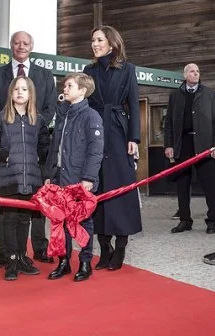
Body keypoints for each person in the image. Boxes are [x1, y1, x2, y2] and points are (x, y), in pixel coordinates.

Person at [0, 31, 57, 267]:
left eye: (26, 43)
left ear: (32, 46)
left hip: (34, 148)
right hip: (7, 150)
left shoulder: (45, 76)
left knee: (35, 204)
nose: (21, 46)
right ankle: (5, 251)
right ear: (10, 46)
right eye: (17, 42)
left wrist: (34, 125)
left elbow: (49, 107)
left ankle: (39, 248)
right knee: (6, 206)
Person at [83, 25, 141, 270]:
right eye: (93, 39)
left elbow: (135, 106)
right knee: (98, 190)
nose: (95, 44)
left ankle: (120, 247)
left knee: (120, 189)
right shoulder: (88, 70)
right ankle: (104, 247)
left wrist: (134, 138)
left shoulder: (127, 70)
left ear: (112, 42)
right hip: (95, 133)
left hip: (118, 133)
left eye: (99, 39)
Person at [0, 77, 50, 280]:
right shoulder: (0, 118)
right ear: (10, 93)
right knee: (9, 219)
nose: (20, 92)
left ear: (31, 94)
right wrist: (6, 156)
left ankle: (22, 256)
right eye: (16, 89)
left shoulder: (38, 120)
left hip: (30, 179)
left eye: (24, 89)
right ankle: (11, 259)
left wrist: (39, 161)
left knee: (24, 219)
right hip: (8, 178)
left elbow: (45, 145)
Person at [45, 73, 104, 282]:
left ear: (82, 90)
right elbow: (55, 148)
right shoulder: (64, 115)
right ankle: (64, 262)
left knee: (83, 222)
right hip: (60, 178)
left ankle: (85, 262)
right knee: (59, 222)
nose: (65, 88)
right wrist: (50, 175)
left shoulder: (91, 117)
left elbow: (96, 151)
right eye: (65, 85)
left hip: (80, 180)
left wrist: (88, 177)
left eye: (69, 85)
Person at [164, 63, 215, 234]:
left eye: (197, 71)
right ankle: (185, 220)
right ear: (184, 75)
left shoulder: (209, 94)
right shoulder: (175, 95)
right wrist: (169, 145)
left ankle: (212, 221)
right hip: (183, 145)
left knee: (210, 185)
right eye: (192, 71)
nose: (195, 74)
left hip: (205, 146)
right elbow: (168, 123)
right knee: (182, 185)